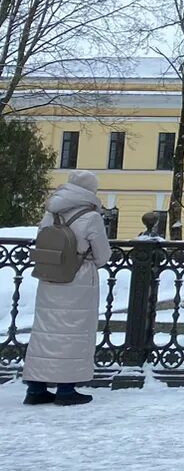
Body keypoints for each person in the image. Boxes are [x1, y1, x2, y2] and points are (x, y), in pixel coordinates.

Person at [22, 171, 111, 407]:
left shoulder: (52, 211)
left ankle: (35, 389)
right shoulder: (91, 216)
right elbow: (103, 255)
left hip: (49, 276)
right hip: (77, 280)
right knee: (73, 334)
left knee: (45, 334)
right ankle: (66, 390)